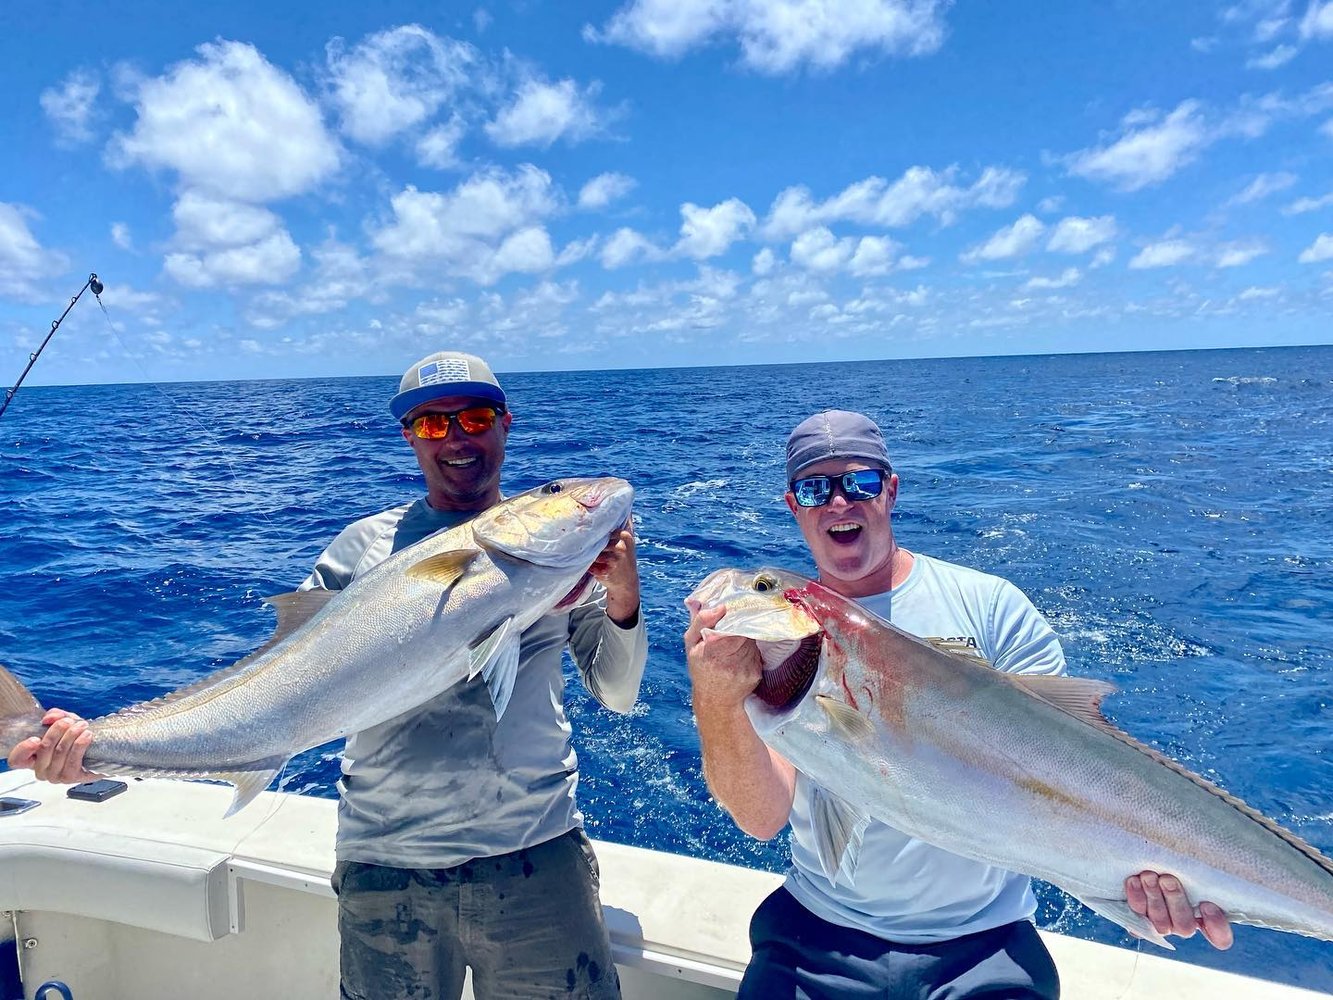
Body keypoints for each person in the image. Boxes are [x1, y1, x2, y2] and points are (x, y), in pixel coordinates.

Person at [10, 350, 647, 1000]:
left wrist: (622, 595)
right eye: (432, 424)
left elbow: (618, 693)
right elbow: (281, 675)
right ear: (408, 436)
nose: (456, 437)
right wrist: (98, 754)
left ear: (504, 424)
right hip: (387, 861)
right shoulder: (364, 546)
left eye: (475, 417)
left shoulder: (574, 571)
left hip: (535, 853)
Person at [684, 409, 1232, 999]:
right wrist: (716, 698)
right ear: (795, 506)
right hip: (817, 936)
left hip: (985, 948)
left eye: (861, 483)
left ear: (890, 491)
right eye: (816, 488)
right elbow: (762, 818)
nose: (839, 503)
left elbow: (1068, 770)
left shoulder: (991, 608)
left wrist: (1140, 882)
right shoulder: (772, 661)